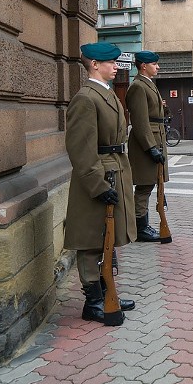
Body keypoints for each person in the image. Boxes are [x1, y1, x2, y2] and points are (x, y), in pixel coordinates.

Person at [64, 42, 137, 325]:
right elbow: (81, 149)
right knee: (92, 241)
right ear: (94, 64)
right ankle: (93, 301)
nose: (116, 66)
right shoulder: (86, 98)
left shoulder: (105, 94)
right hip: (98, 176)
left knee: (107, 237)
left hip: (113, 170)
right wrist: (98, 185)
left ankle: (107, 292)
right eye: (111, 62)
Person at [125, 50, 167, 243]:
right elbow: (140, 121)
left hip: (155, 138)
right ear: (143, 66)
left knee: (149, 185)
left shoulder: (147, 84)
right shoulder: (138, 87)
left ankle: (142, 225)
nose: (157, 67)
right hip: (146, 143)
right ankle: (140, 229)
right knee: (144, 186)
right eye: (154, 64)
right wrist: (151, 148)